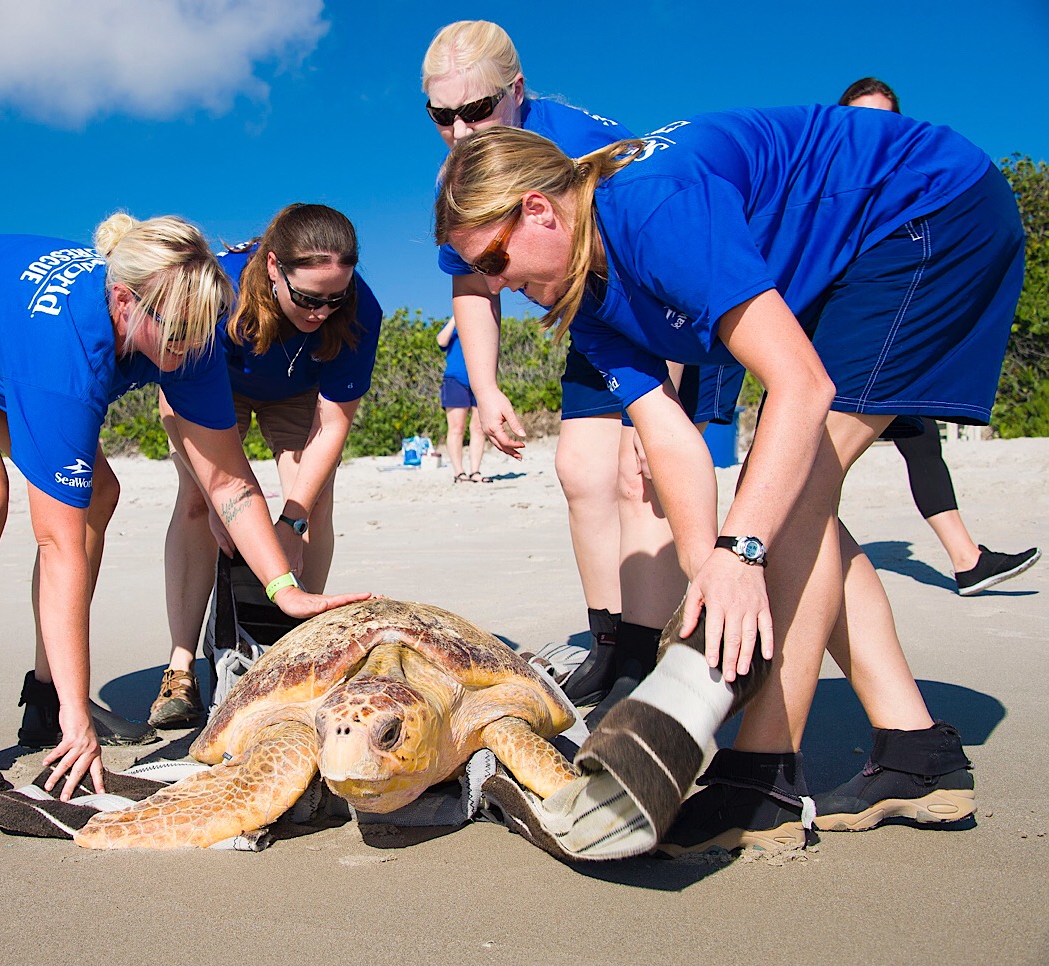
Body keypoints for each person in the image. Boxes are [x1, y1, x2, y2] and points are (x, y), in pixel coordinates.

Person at [434, 105, 1022, 853]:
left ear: (539, 210)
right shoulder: (587, 302)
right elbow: (671, 442)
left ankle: (761, 778)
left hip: (930, 209)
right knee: (776, 500)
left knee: (794, 484)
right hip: (859, 255)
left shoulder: (650, 211)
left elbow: (802, 388)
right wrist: (709, 569)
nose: (494, 285)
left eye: (491, 261)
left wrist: (741, 554)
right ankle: (916, 752)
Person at [0, 217, 368, 802]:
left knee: (98, 494)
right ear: (122, 301)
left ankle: (47, 697)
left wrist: (283, 586)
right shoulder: (66, 356)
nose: (192, 347)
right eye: (180, 332)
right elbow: (57, 546)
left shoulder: (189, 332)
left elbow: (228, 481)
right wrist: (79, 731)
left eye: (204, 329)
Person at [421, 21, 744, 713]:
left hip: (667, 309)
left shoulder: (576, 145)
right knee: (579, 472)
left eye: (477, 111)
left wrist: (657, 408)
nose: (459, 131)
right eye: (441, 115)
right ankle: (609, 646)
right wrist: (483, 385)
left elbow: (664, 272)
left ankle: (645, 650)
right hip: (595, 323)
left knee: (637, 478)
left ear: (517, 90)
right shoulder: (465, 172)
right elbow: (474, 283)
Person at [141, 204, 384, 728]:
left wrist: (293, 520)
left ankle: (301, 648)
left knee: (313, 502)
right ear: (273, 267)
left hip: (298, 392)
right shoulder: (216, 292)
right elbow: (185, 409)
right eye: (308, 298)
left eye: (334, 298)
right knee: (194, 503)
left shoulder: (359, 309)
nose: (321, 312)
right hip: (208, 390)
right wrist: (215, 503)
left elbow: (333, 427)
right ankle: (181, 666)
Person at [838, 77, 1040, 595]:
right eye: (862, 117)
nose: (875, 129)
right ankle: (765, 556)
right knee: (803, 465)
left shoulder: (916, 186)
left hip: (883, 342)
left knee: (921, 439)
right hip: (825, 348)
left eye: (886, 118)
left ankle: (967, 559)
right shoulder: (831, 182)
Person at [436, 316, 487, 482]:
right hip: (455, 380)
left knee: (479, 427)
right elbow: (441, 341)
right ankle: (459, 472)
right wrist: (456, 317)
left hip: (481, 379)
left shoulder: (483, 325)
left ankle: (475, 471)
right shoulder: (455, 325)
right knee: (457, 427)